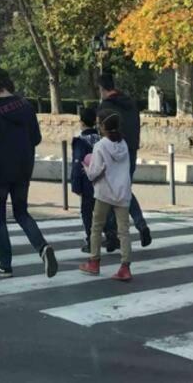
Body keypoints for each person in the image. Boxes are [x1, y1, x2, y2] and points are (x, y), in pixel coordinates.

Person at [0, 68, 57, 279]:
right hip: (23, 168)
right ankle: (42, 247)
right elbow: (36, 138)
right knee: (21, 212)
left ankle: (5, 264)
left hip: (0, 171)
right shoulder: (26, 106)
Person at [98, 73, 152, 249]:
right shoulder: (130, 104)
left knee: (110, 192)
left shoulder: (105, 106)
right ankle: (140, 224)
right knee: (125, 189)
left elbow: (103, 132)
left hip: (113, 151)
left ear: (102, 89)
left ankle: (113, 234)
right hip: (130, 150)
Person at [79, 111, 134, 281]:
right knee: (123, 231)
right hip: (123, 191)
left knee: (96, 226)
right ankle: (125, 266)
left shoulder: (101, 146)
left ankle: (94, 262)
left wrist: (86, 169)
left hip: (104, 192)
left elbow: (95, 171)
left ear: (103, 127)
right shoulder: (123, 144)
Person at [71, 106, 101, 254]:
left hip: (86, 182)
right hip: (101, 182)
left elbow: (77, 164)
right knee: (102, 211)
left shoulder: (80, 141)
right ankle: (110, 235)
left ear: (81, 122)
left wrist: (75, 185)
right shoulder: (100, 139)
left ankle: (91, 240)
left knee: (87, 212)